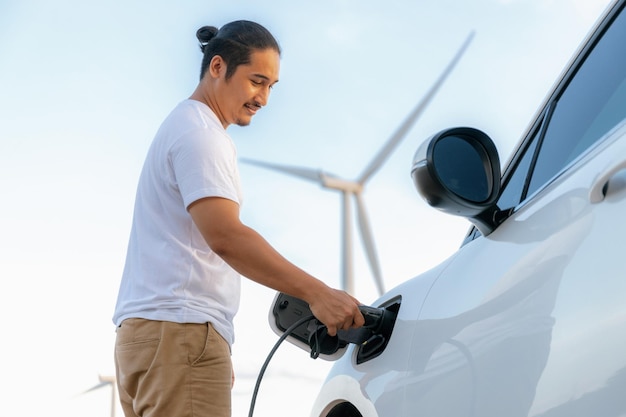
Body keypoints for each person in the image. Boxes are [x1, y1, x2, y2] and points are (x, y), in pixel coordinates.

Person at [112, 20, 365, 417]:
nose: (263, 97)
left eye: (271, 86)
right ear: (217, 67)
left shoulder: (180, 126)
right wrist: (316, 293)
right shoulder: (202, 135)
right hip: (179, 333)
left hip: (150, 337)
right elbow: (226, 236)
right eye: (256, 81)